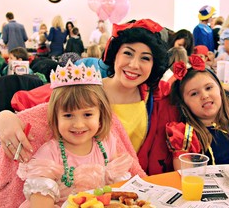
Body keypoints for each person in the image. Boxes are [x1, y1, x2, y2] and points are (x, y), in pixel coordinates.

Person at [0, 19, 229, 176]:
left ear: (154, 66)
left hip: (140, 190)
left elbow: (195, 84)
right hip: (84, 190)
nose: (134, 65)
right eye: (128, 54)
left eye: (146, 58)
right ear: (115, 55)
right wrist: (3, 117)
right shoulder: (86, 88)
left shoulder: (157, 96)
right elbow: (26, 102)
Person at [13, 61, 141, 207]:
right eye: (68, 115)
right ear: (55, 118)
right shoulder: (50, 153)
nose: (78, 124)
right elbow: (40, 200)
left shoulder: (107, 144)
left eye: (87, 114)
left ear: (101, 115)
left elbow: (119, 188)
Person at [166, 55, 229, 170]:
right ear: (184, 104)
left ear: (220, 90)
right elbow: (184, 176)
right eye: (194, 93)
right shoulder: (185, 136)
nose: (204, 96)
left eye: (208, 88)